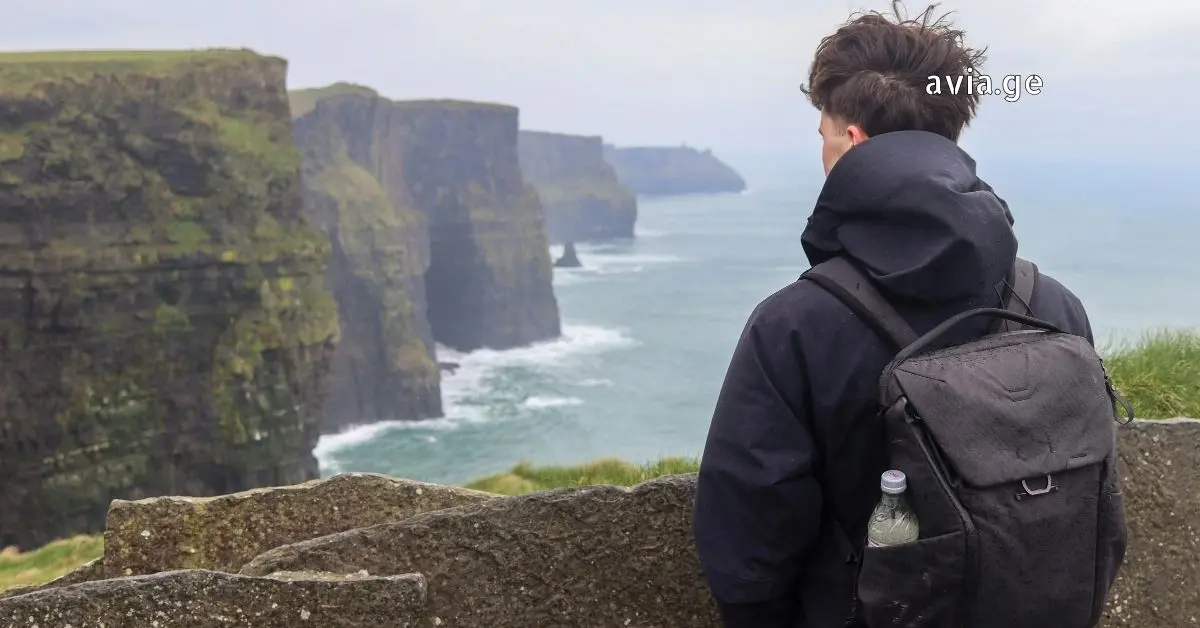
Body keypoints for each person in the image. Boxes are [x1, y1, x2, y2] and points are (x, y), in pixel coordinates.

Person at [692, 3, 1097, 627]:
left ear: (850, 141)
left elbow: (749, 544)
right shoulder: (1051, 305)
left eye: (823, 133)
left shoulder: (795, 326)